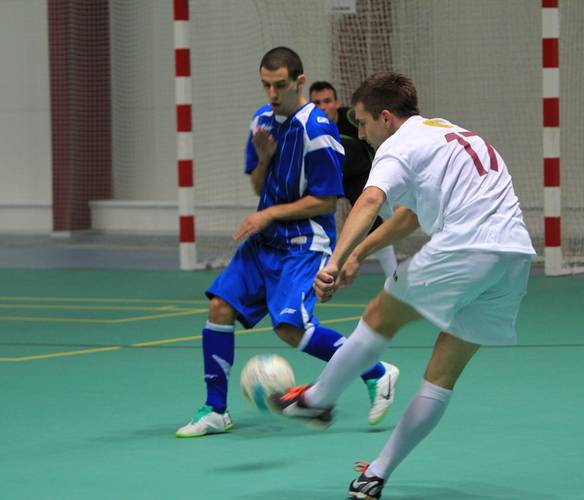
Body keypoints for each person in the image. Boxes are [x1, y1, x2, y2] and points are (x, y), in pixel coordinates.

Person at [272, 72, 535, 498]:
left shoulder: (396, 145)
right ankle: (375, 473)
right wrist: (358, 254)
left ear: (386, 117)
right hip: (513, 258)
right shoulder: (445, 133)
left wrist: (334, 261)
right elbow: (408, 218)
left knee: (379, 317)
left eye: (362, 123)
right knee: (441, 376)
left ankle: (319, 399)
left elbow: (370, 200)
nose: (361, 133)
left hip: (466, 247)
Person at [175, 48, 400, 439]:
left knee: (290, 328)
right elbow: (259, 186)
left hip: (304, 243)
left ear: (299, 82)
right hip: (264, 243)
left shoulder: (318, 130)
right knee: (219, 307)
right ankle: (215, 410)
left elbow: (325, 200)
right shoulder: (261, 121)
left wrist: (266, 215)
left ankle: (376, 371)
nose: (272, 93)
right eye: (265, 84)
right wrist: (263, 159)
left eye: (280, 85)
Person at [309, 81, 397, 277]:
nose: (322, 107)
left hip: (360, 176)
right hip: (328, 181)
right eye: (316, 103)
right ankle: (314, 274)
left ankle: (394, 277)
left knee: (376, 224)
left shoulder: (352, 118)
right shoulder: (306, 128)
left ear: (337, 103)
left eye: (327, 101)